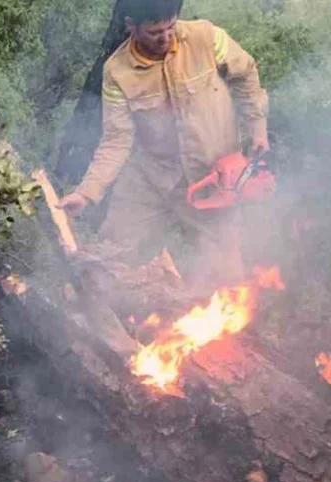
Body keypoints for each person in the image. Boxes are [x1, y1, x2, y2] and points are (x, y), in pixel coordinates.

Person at [58, 0, 270, 276]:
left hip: (212, 181)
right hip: (149, 179)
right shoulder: (116, 72)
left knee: (226, 277)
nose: (167, 38)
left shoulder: (207, 37)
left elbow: (247, 75)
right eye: (155, 32)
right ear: (131, 26)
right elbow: (116, 140)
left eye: (171, 27)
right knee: (107, 260)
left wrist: (257, 127)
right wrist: (86, 193)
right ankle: (100, 313)